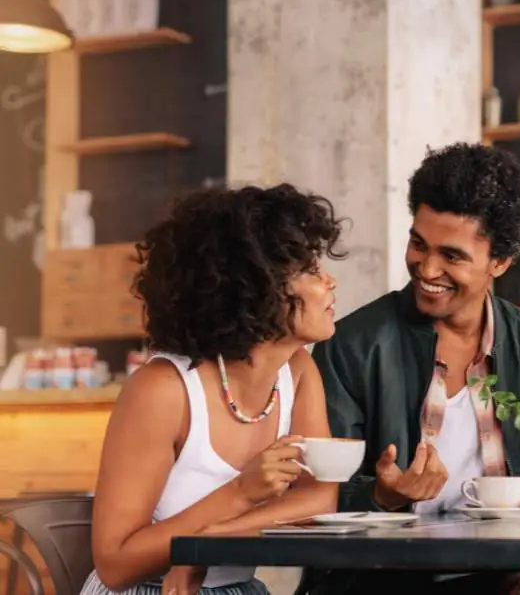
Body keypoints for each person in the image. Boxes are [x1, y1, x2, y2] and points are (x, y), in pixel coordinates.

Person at [306, 143, 520, 595]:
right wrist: (384, 495)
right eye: (418, 244)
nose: (426, 268)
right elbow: (312, 502)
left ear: (499, 262)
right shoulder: (353, 344)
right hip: (388, 582)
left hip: (514, 577)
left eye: (453, 255)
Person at [85, 184, 344, 595]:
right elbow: (116, 565)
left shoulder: (297, 371)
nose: (329, 281)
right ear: (256, 287)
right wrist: (241, 492)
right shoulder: (164, 390)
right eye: (310, 269)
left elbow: (317, 503)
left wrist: (206, 545)